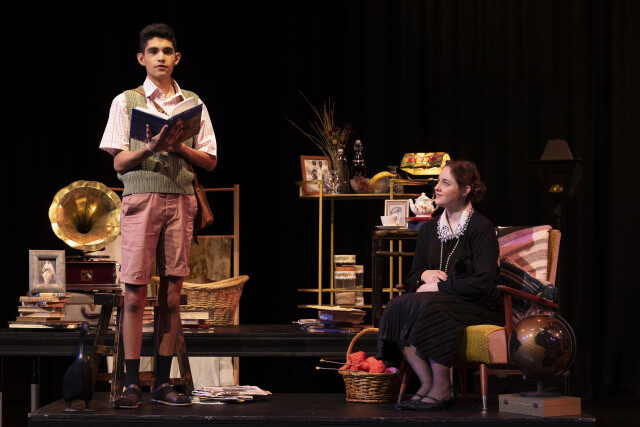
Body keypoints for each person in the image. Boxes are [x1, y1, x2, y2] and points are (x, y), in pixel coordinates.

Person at [99, 23, 217, 409]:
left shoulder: (192, 102)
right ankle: (132, 383)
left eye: (167, 51)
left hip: (180, 200)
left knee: (172, 296)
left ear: (177, 58)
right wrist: (151, 147)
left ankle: (163, 383)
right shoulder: (126, 101)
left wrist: (179, 146)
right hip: (141, 199)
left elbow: (210, 160)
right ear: (142, 58)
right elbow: (118, 162)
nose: (161, 57)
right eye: (153, 51)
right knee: (135, 294)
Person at [377, 160, 504, 411]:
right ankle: (426, 382)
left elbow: (483, 282)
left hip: (479, 304)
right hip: (440, 301)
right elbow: (413, 275)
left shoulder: (481, 228)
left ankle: (443, 387)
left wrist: (439, 288)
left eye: (445, 183)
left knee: (432, 307)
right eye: (438, 182)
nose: (437, 187)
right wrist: (425, 275)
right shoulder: (429, 229)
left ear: (465, 190)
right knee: (399, 305)